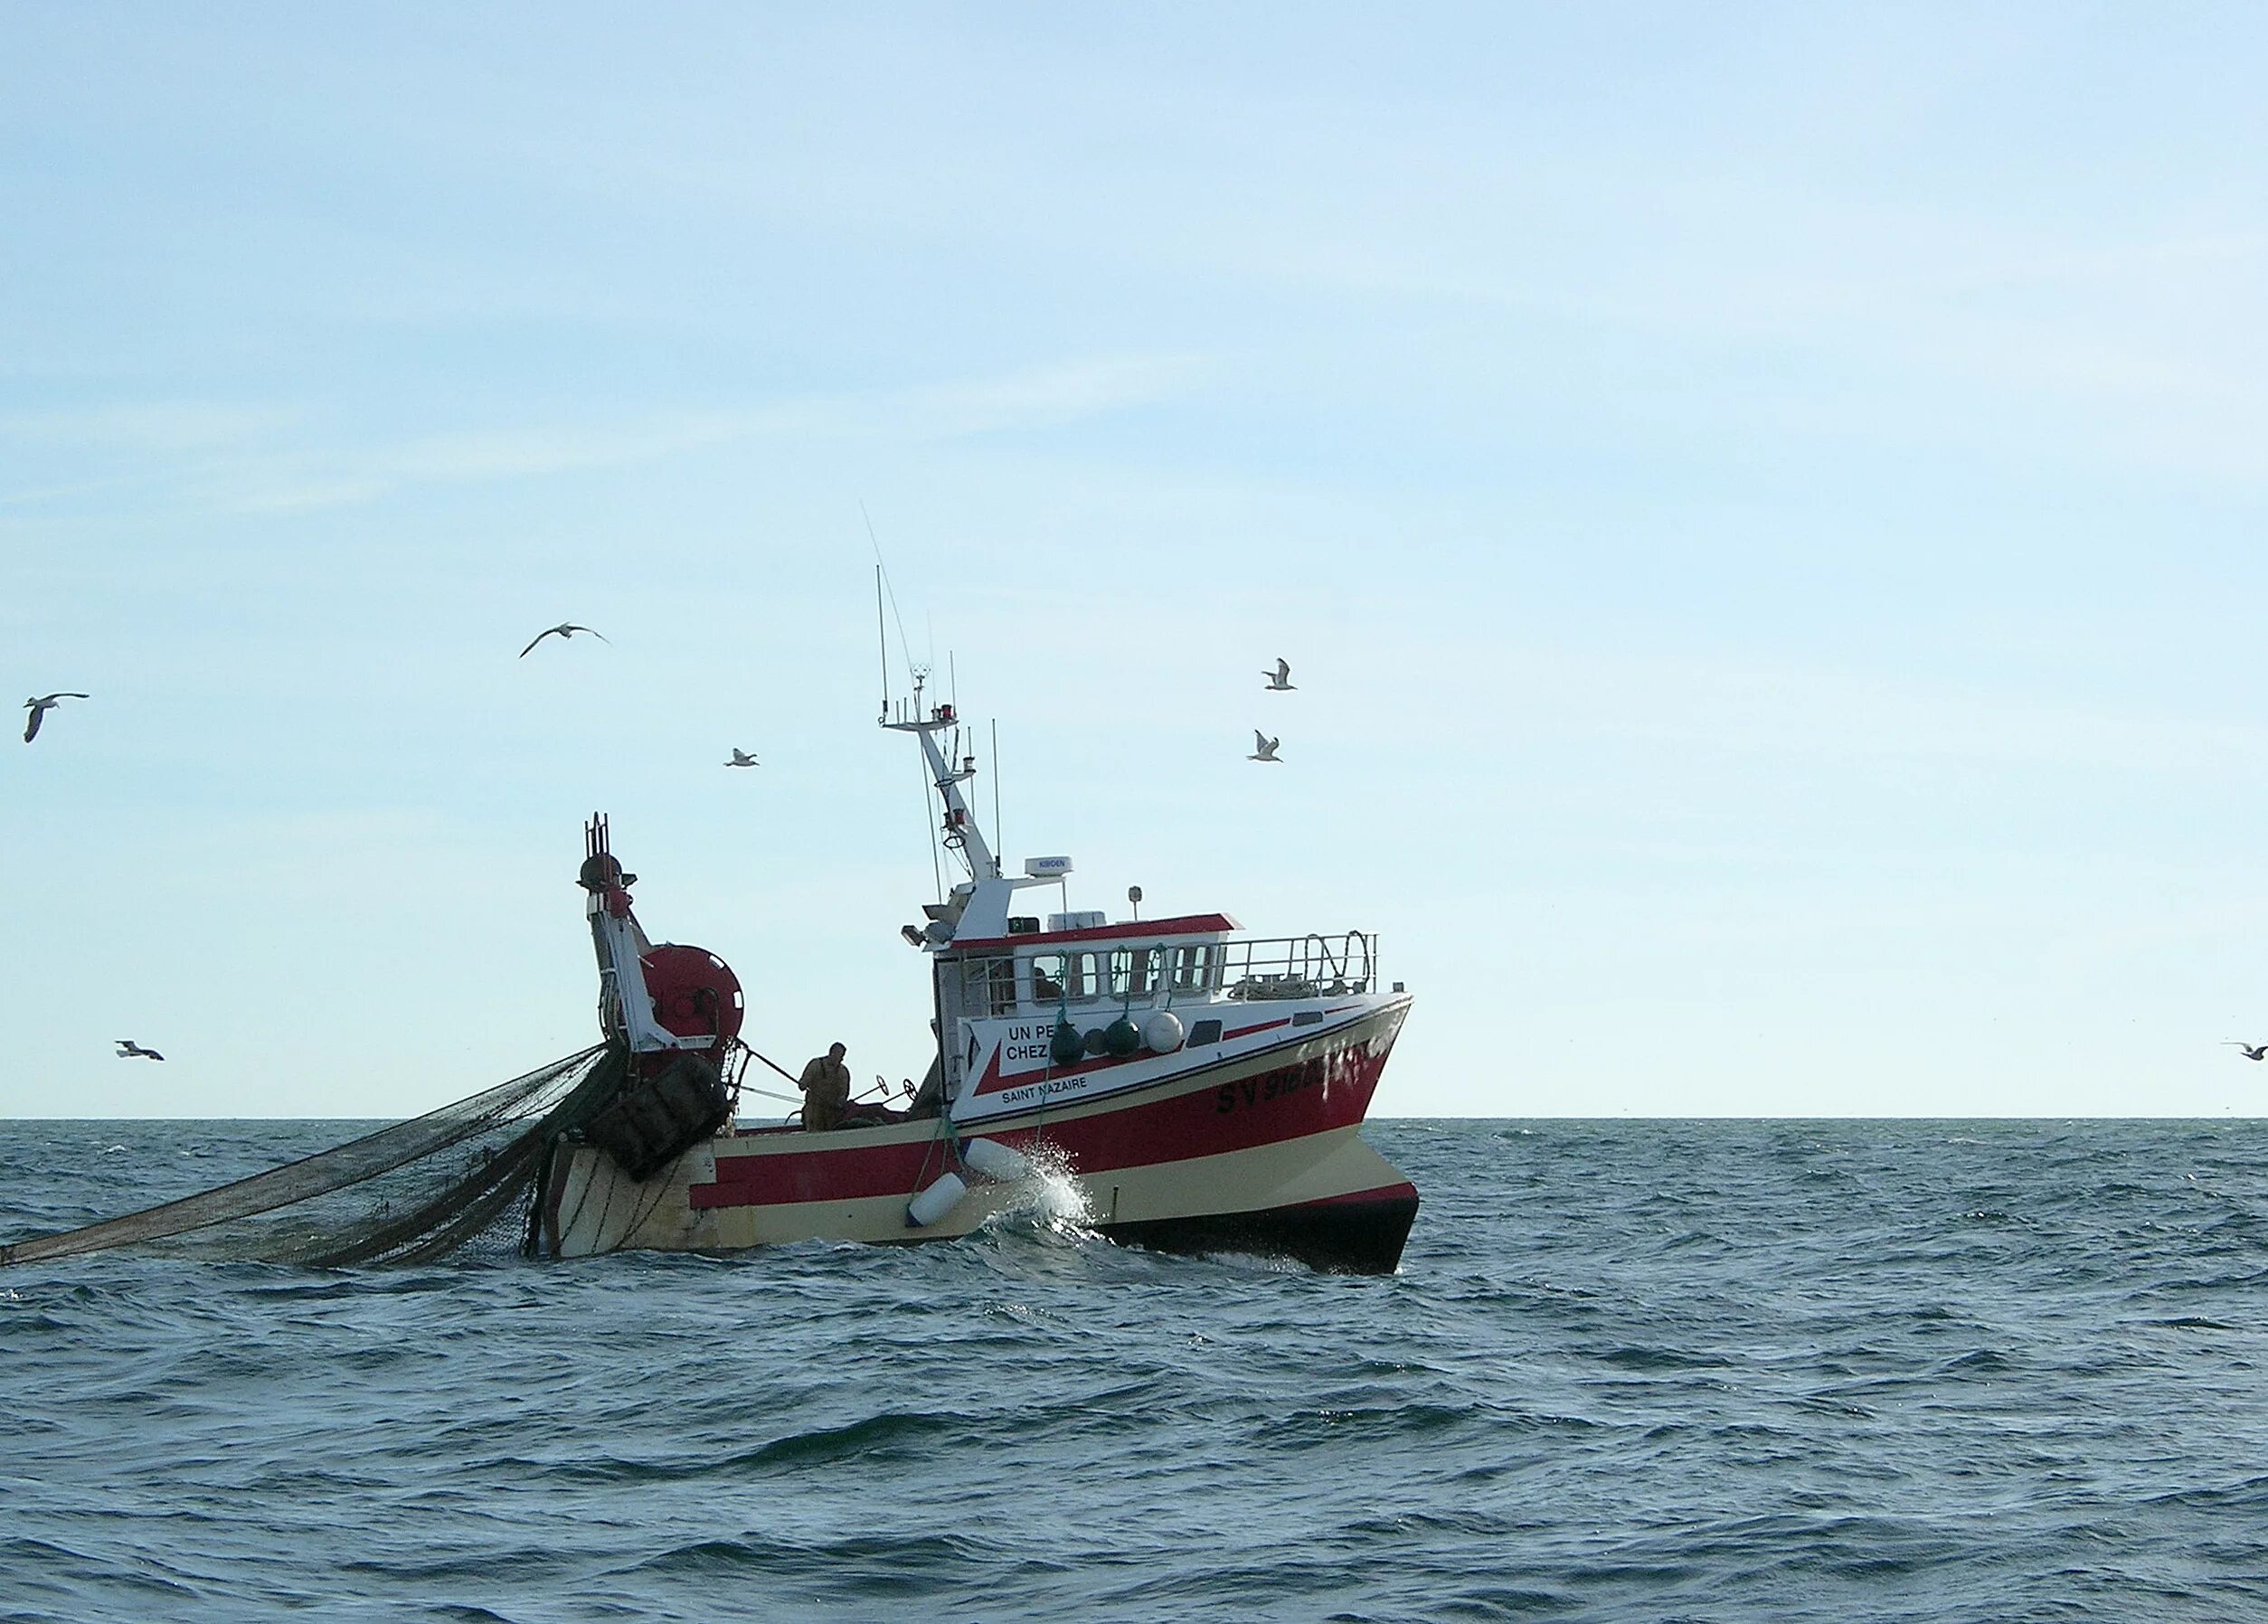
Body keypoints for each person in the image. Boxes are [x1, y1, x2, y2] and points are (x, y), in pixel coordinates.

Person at [798, 1042, 851, 1132]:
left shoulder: (843, 1072)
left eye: (843, 1056)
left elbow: (844, 1093)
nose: (841, 1059)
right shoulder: (815, 1065)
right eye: (840, 1055)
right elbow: (803, 1083)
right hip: (814, 1111)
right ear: (832, 1053)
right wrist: (803, 1083)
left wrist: (840, 1102)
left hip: (832, 1113)